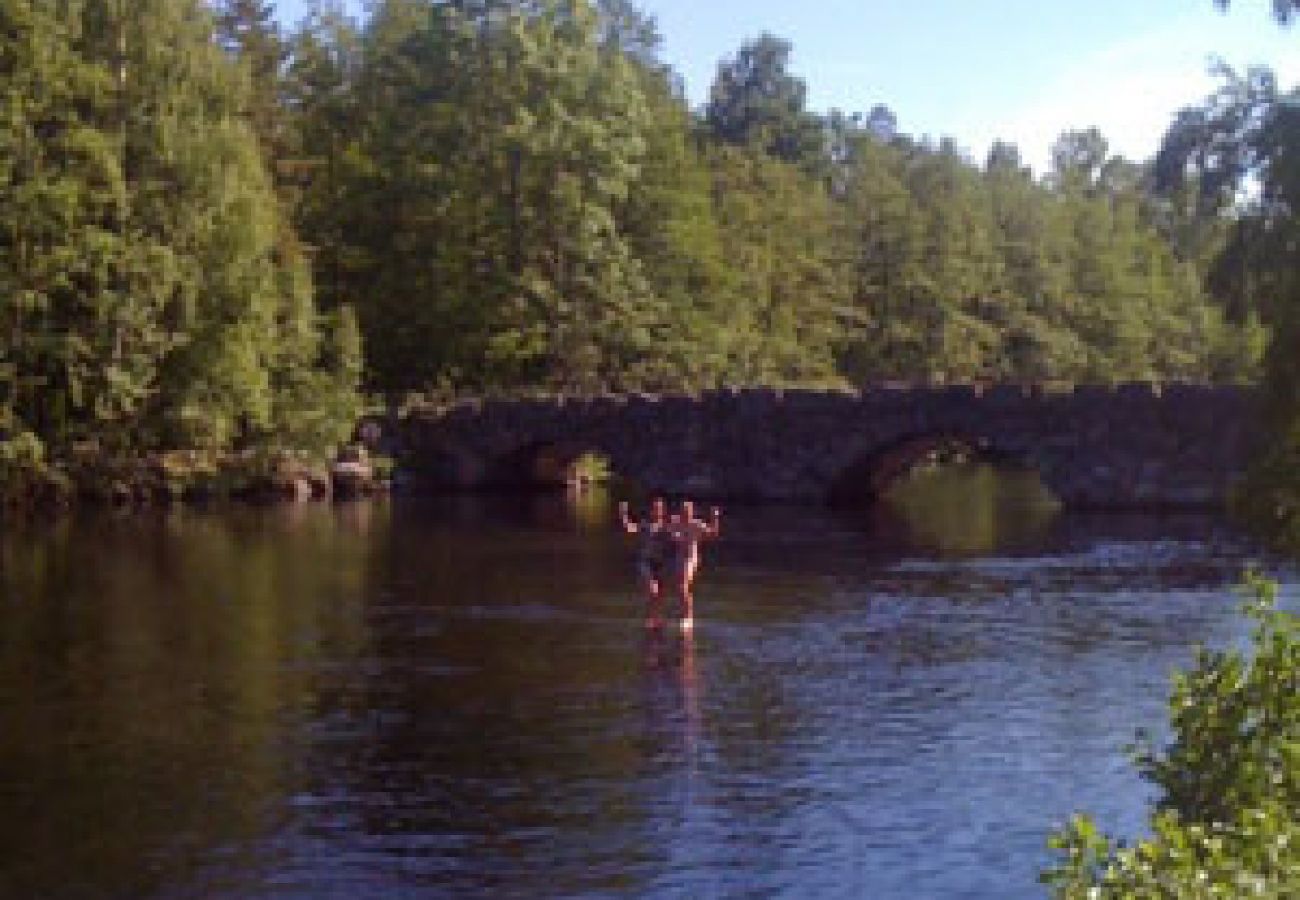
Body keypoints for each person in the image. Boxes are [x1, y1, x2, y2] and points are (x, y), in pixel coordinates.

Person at [667, 500, 721, 631]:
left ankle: (688, 617)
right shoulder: (676, 523)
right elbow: (666, 533)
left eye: (688, 512)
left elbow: (713, 534)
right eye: (683, 512)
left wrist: (715, 518)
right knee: (680, 588)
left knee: (683, 585)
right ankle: (682, 614)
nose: (685, 514)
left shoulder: (696, 524)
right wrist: (671, 529)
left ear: (692, 513)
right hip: (678, 558)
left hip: (691, 558)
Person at [618, 498, 672, 627]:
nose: (656, 511)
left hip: (661, 562)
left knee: (660, 593)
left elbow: (678, 536)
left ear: (662, 510)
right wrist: (623, 514)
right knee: (653, 590)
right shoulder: (645, 524)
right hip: (646, 561)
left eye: (659, 508)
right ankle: (650, 618)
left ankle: (657, 617)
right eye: (654, 508)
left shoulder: (666, 525)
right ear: (651, 510)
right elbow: (630, 528)